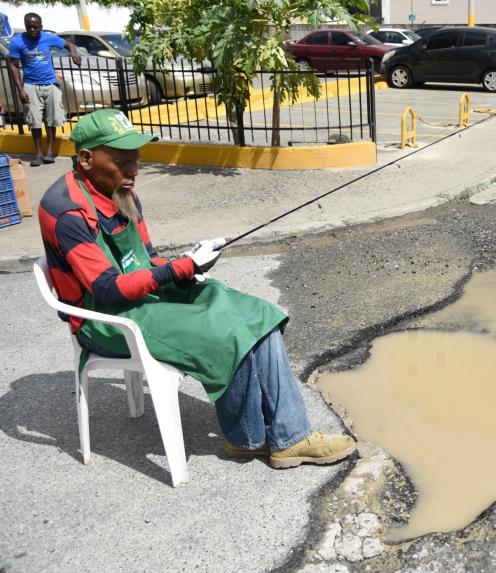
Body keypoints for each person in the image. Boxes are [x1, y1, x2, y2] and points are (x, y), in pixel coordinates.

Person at [38, 109, 356, 469]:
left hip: (140, 296)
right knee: (224, 330)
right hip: (105, 320)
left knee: (254, 312)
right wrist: (179, 269)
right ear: (86, 158)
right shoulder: (67, 212)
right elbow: (108, 290)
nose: (134, 170)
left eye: (136, 160)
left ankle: (276, 437)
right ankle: (261, 438)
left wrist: (191, 264)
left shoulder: (119, 190)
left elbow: (148, 259)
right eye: (123, 161)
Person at [8, 13, 82, 167]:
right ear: (25, 25)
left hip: (50, 84)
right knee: (34, 121)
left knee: (51, 120)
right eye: (29, 26)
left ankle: (49, 152)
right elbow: (13, 66)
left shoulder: (49, 38)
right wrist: (20, 89)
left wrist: (74, 53)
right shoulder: (17, 42)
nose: (32, 29)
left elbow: (69, 45)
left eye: (36, 27)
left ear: (41, 26)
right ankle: (38, 154)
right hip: (30, 85)